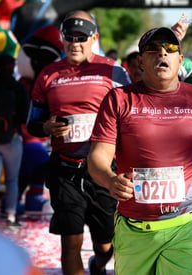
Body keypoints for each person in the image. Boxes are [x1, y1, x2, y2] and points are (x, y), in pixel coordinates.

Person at [87, 27, 192, 275]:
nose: (162, 54)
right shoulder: (119, 99)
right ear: (141, 61)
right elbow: (98, 156)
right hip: (134, 229)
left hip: (189, 226)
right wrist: (110, 179)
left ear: (180, 58)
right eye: (153, 50)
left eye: (170, 49)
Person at [26, 10, 131, 275]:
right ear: (62, 39)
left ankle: (98, 263)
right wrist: (47, 127)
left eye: (82, 37)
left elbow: (132, 115)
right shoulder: (48, 75)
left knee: (106, 242)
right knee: (70, 243)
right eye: (70, 37)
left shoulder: (113, 71)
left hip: (104, 170)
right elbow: (32, 122)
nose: (76, 43)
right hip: (65, 169)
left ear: (94, 37)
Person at [0, 54, 29, 227]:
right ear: (12, 67)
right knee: (12, 179)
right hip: (12, 139)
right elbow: (25, 116)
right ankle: (10, 216)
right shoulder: (18, 88)